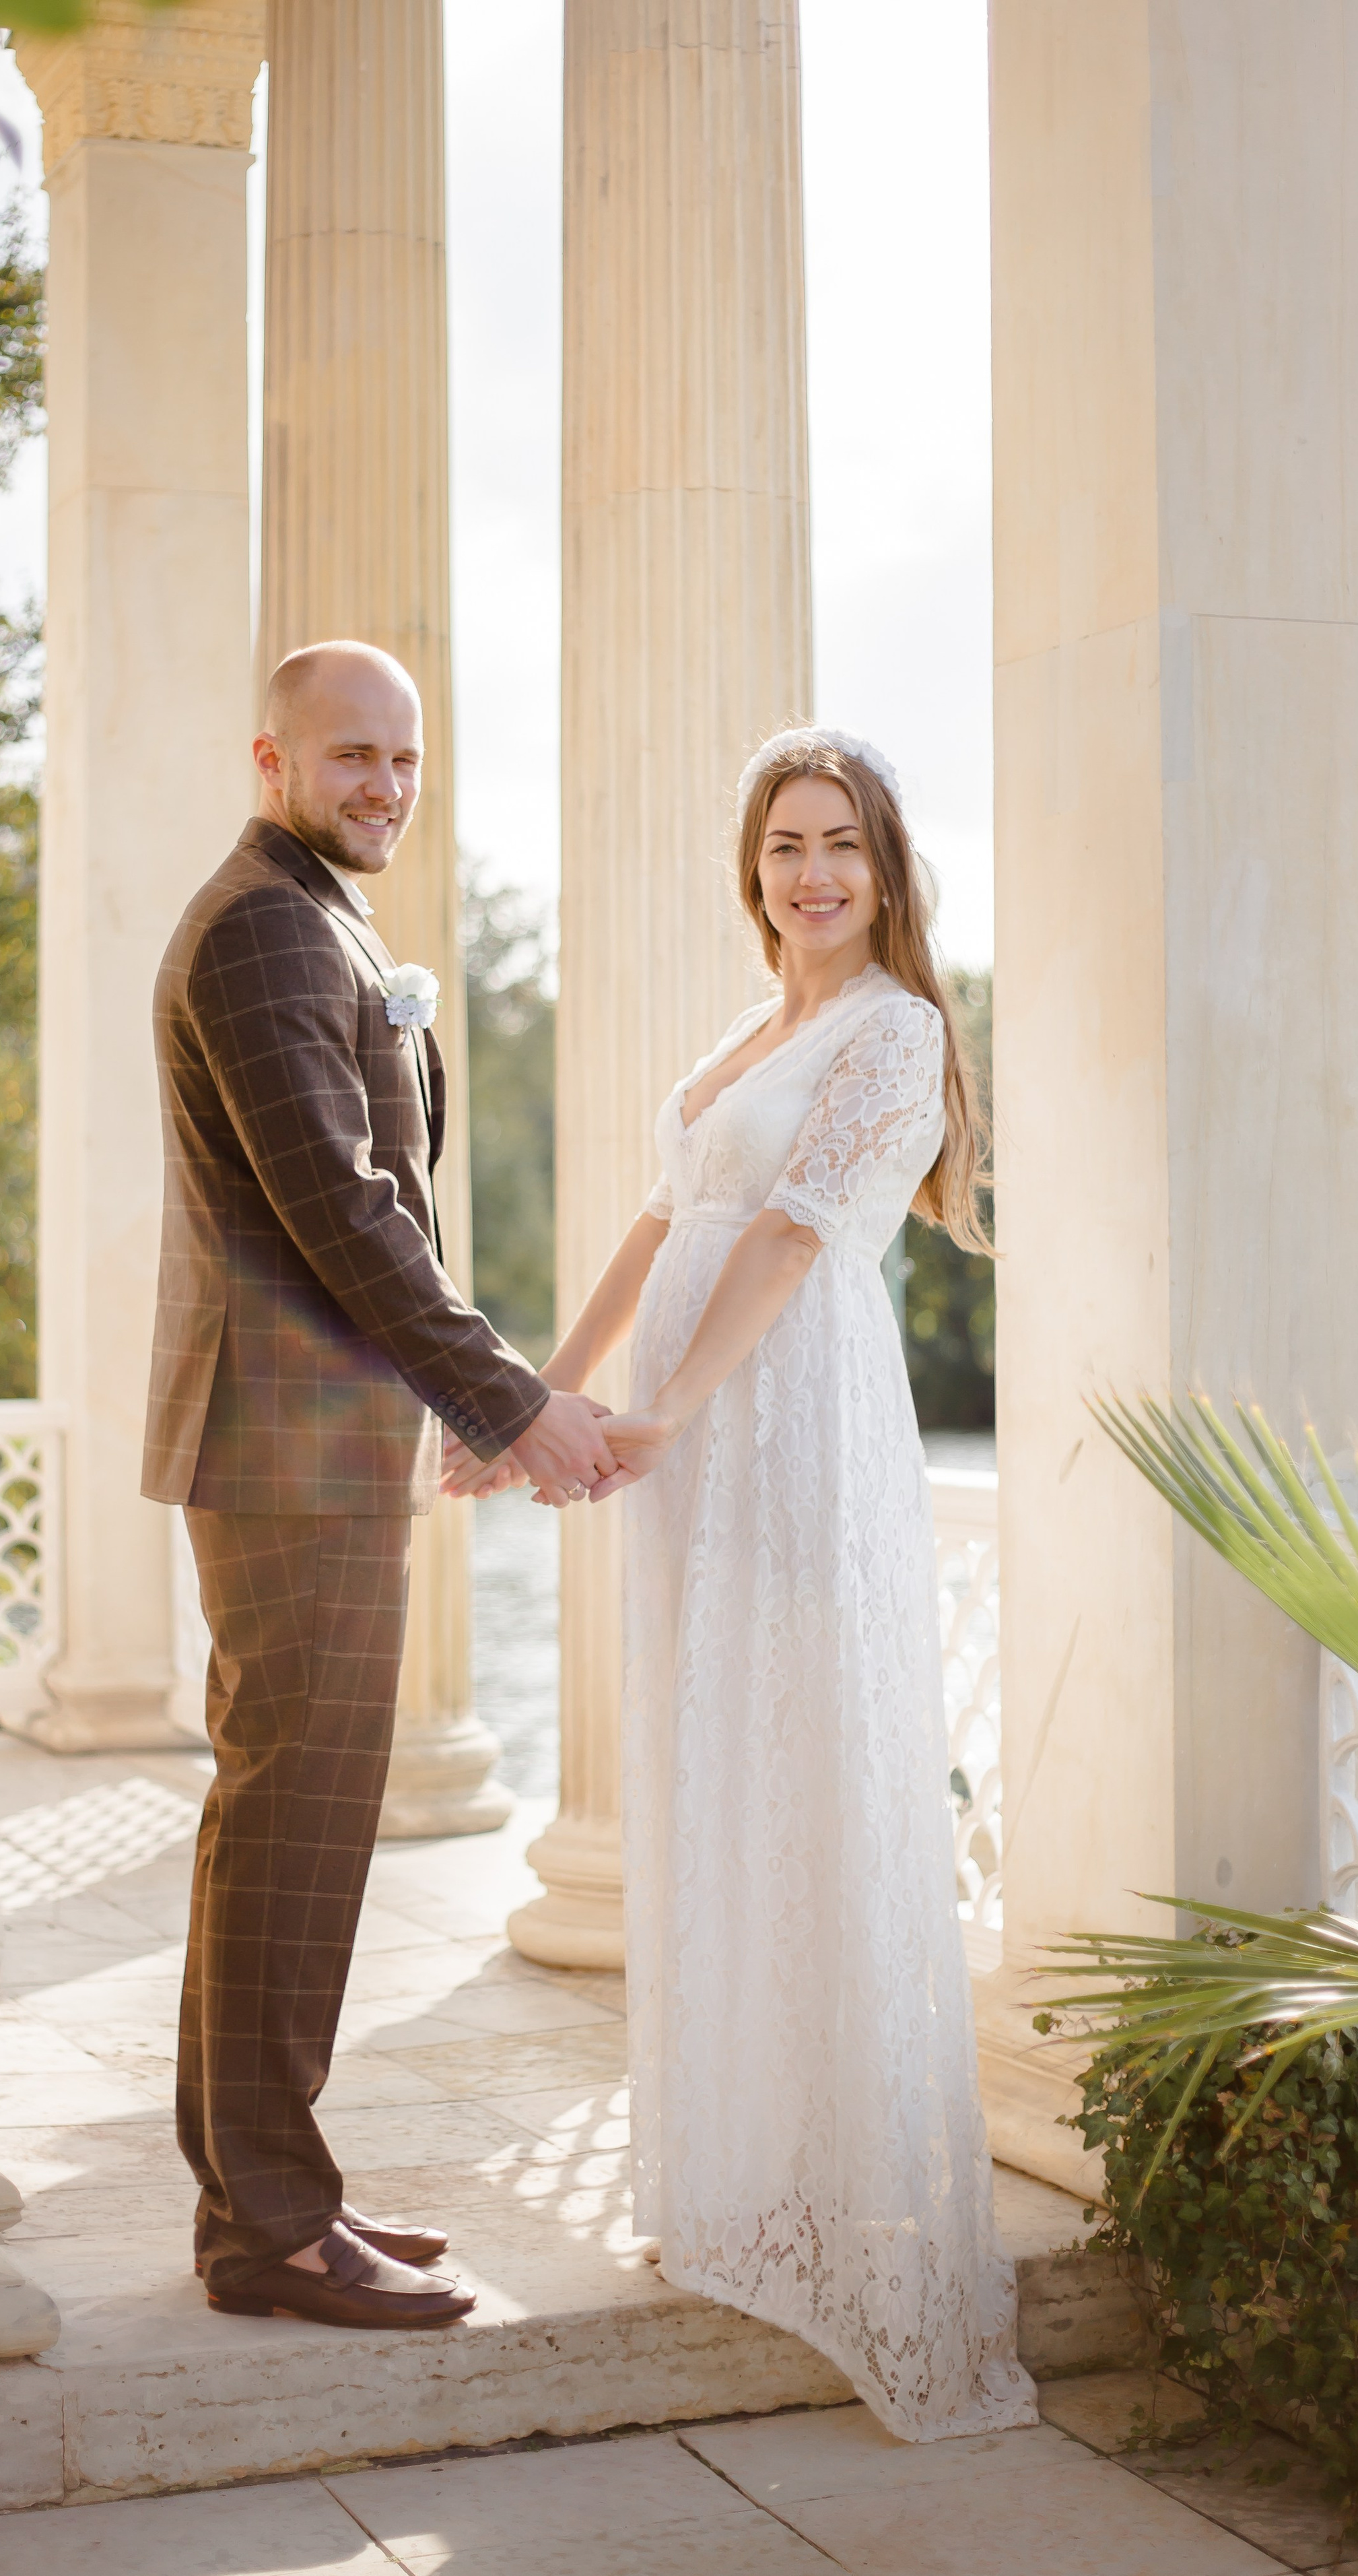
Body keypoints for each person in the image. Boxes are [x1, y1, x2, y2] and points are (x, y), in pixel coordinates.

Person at [445, 727, 1036, 2439]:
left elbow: (785, 1237)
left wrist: (658, 1412)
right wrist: (532, 1399)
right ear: (750, 867)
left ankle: (859, 2209)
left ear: (886, 864)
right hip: (683, 1427)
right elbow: (654, 1228)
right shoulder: (739, 1036)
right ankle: (741, 2176)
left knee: (811, 1770)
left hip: (782, 1419)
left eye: (840, 842)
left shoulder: (897, 1030)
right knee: (711, 1777)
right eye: (784, 844)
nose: (811, 873)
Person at [143, 638, 617, 2331]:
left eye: (402, 762)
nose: (382, 788)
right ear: (269, 757)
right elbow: (344, 1209)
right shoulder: (270, 923)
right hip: (287, 1453)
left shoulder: (309, 914)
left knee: (275, 1821)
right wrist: (513, 1398)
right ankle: (271, 2227)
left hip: (308, 1441)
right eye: (351, 756)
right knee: (293, 1826)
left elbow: (362, 1210)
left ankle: (265, 2196)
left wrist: (456, 1410)